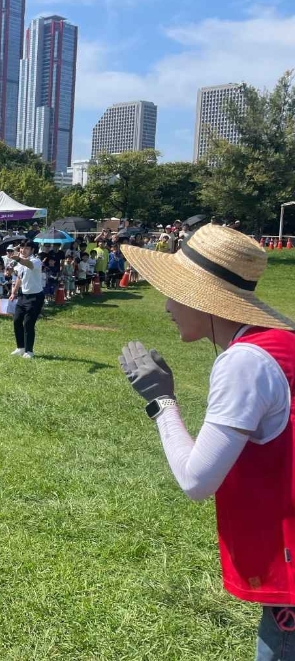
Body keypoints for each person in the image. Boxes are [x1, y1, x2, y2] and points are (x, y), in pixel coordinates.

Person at [116, 225, 295, 660]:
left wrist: (161, 401)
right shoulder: (281, 344)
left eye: (174, 293)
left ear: (201, 296)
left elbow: (196, 480)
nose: (167, 307)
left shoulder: (244, 362)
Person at [9, 240, 44, 359]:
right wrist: (13, 292)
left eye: (27, 248)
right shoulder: (20, 263)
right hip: (23, 296)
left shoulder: (36, 261)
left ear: (32, 250)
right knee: (17, 320)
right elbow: (20, 277)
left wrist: (18, 258)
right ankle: (20, 348)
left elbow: (28, 264)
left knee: (28, 323)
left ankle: (29, 351)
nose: (23, 250)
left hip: (35, 297)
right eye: (22, 248)